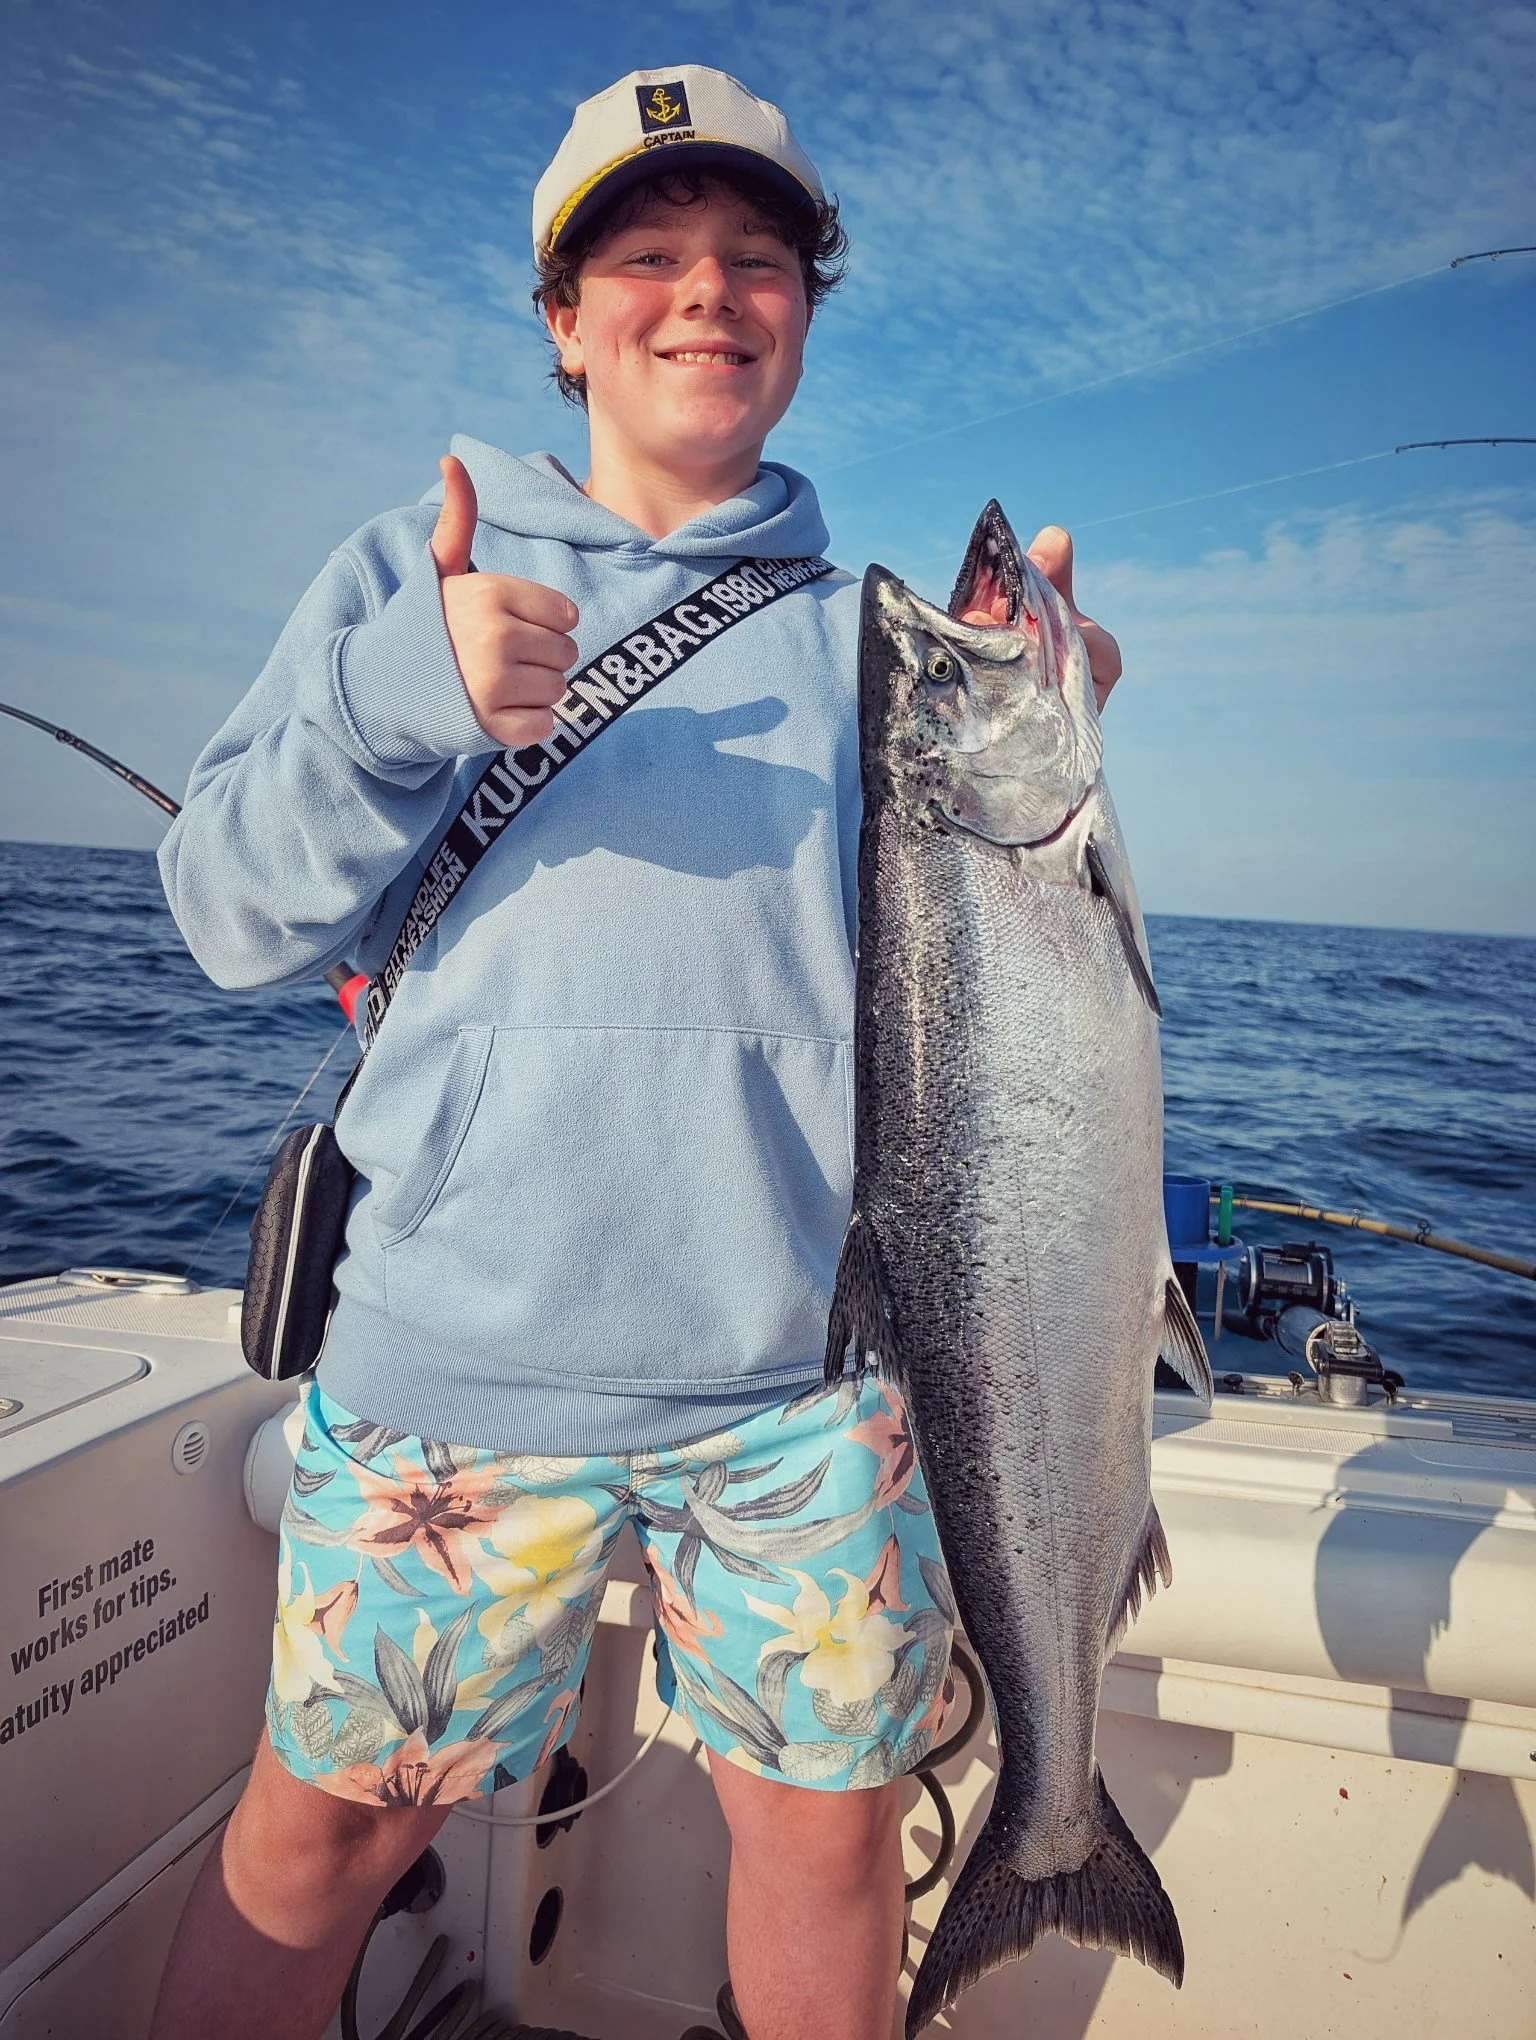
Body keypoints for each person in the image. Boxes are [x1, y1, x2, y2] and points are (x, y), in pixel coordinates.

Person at [149, 64, 1122, 2040]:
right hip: (455, 1360)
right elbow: (224, 915)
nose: (705, 296)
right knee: (318, 1843)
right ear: (565, 322)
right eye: (650, 258)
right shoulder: (404, 575)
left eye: (755, 260)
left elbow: (994, 1004)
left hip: (811, 1380)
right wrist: (396, 698)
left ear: (803, 314)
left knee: (829, 1845)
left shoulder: (884, 639)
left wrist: (1060, 736)